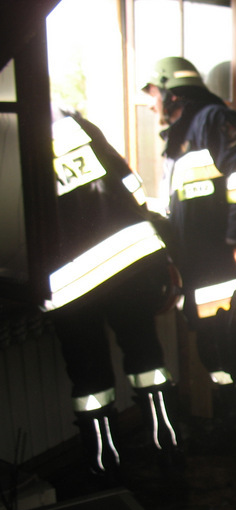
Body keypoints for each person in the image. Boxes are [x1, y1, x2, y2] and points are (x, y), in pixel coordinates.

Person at [141, 56, 236, 474]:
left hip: (233, 268)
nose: (150, 104)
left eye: (153, 95)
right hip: (204, 273)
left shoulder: (214, 121)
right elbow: (189, 207)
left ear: (172, 92)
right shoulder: (180, 141)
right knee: (213, 353)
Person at [46, 110, 183, 483]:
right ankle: (169, 454)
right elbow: (130, 186)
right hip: (128, 263)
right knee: (147, 361)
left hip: (69, 282)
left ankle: (106, 473)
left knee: (90, 380)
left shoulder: (11, 142)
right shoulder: (72, 123)